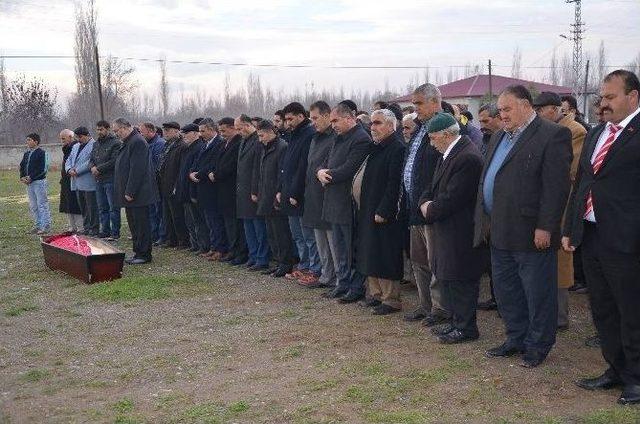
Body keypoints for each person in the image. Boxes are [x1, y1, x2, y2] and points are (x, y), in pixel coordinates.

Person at [474, 85, 572, 368]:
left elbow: (556, 188)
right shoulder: (499, 137)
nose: (501, 115)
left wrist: (546, 226)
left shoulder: (552, 135)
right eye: (500, 110)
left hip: (532, 231)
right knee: (507, 290)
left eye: (507, 109)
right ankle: (515, 337)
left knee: (537, 291)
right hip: (500, 228)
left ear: (527, 106)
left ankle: (538, 345)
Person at [563, 70, 640, 405]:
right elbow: (582, 183)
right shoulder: (596, 133)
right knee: (603, 308)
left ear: (633, 96)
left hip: (627, 240)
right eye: (602, 97)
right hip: (592, 235)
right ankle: (615, 368)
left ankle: (636, 379)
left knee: (631, 310)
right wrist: (570, 228)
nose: (603, 103)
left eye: (610, 97)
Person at [420, 113, 484, 343]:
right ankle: (456, 322)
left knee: (462, 279)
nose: (431, 142)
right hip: (447, 228)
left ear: (447, 135)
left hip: (461, 229)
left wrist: (430, 208)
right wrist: (424, 202)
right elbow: (433, 187)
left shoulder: (467, 157)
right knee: (450, 276)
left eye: (433, 137)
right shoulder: (449, 154)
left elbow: (454, 198)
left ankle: (466, 328)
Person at [534, 91, 587, 331]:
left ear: (554, 109)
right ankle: (548, 312)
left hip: (564, 204)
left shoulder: (574, 131)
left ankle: (560, 317)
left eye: (540, 109)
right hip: (546, 203)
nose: (537, 113)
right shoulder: (546, 130)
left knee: (560, 261)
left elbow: (570, 172)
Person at [401, 84, 450, 327]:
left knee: (435, 261)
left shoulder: (446, 127)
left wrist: (430, 201)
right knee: (419, 260)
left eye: (419, 103)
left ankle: (440, 308)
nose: (415, 109)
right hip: (414, 206)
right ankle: (425, 304)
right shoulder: (420, 129)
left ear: (434, 102)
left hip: (431, 208)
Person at [318, 102, 371, 303]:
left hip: (349, 203)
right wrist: (320, 171)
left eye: (335, 120)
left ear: (349, 118)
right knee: (339, 247)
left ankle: (355, 286)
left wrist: (326, 174)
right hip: (334, 200)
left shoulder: (360, 139)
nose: (333, 125)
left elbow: (349, 169)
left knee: (350, 248)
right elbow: (325, 161)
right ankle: (342, 283)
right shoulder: (338, 138)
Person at [354, 109, 405, 315]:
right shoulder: (376, 147)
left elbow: (395, 184)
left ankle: (390, 299)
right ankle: (375, 295)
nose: (373, 127)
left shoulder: (397, 148)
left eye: (378, 123)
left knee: (385, 254)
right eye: (372, 124)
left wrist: (384, 209)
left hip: (385, 213)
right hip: (368, 208)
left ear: (391, 125)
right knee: (370, 252)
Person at [278, 102, 319, 282]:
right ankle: (304, 265)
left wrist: (295, 193)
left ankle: (314, 268)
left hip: (300, 195)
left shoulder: (308, 134)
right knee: (298, 235)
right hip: (289, 192)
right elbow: (287, 166)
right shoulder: (293, 135)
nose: (287, 123)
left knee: (308, 235)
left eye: (290, 119)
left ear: (301, 116)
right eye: (286, 119)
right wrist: (282, 190)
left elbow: (303, 167)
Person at [301, 100, 336, 288]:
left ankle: (337, 278)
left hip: (327, 196)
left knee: (332, 242)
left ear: (326, 116)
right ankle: (326, 275)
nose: (313, 122)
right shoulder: (315, 138)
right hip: (313, 196)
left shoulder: (334, 137)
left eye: (315, 118)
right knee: (320, 241)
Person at [112, 118, 158, 264]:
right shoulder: (129, 141)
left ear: (125, 128)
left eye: (117, 131)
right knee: (134, 224)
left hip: (138, 194)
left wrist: (130, 191)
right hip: (131, 194)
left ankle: (144, 254)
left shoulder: (137, 142)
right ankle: (138, 252)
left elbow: (137, 169)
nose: (116, 134)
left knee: (141, 225)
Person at [254, 120, 296, 277]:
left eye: (262, 135)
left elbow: (282, 174)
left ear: (271, 131)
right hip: (266, 195)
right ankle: (278, 261)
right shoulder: (265, 148)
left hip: (276, 197)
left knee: (281, 233)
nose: (260, 139)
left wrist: (279, 193)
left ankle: (286, 263)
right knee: (272, 233)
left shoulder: (281, 147)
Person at [235, 115, 270, 270]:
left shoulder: (258, 140)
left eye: (239, 128)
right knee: (248, 226)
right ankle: (253, 255)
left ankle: (262, 258)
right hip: (243, 191)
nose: (238, 131)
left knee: (258, 227)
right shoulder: (244, 141)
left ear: (248, 125)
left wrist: (255, 190)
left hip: (253, 191)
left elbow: (258, 168)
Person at [190, 118, 228, 260]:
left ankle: (219, 248)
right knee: (209, 221)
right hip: (202, 187)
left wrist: (198, 174)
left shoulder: (219, 143)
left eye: (203, 131)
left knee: (215, 220)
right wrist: (192, 172)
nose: (200, 134)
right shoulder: (205, 144)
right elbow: (198, 162)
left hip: (212, 188)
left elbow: (213, 164)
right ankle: (213, 247)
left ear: (212, 130)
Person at [213, 118, 248, 265]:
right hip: (222, 190)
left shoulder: (238, 143)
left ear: (233, 128)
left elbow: (231, 165)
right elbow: (218, 162)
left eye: (224, 130)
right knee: (228, 224)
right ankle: (232, 250)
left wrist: (217, 174)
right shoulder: (224, 144)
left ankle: (240, 252)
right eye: (220, 131)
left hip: (231, 189)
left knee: (235, 225)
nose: (222, 134)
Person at [176, 124, 209, 254]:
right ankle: (195, 244)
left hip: (193, 190)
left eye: (187, 133)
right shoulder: (188, 148)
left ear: (195, 134)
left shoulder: (198, 147)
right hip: (186, 190)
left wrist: (192, 192)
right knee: (191, 220)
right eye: (183, 133)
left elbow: (195, 171)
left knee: (198, 221)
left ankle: (203, 246)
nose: (184, 135)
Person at [157, 122, 190, 249]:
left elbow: (181, 168)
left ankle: (183, 241)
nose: (165, 132)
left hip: (174, 185)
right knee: (167, 215)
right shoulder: (168, 145)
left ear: (176, 131)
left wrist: (177, 185)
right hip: (164, 184)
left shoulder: (181, 146)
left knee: (178, 215)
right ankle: (171, 239)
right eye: (164, 130)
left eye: (168, 130)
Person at [89, 120, 121, 241]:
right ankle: (105, 230)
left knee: (113, 207)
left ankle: (115, 232)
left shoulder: (115, 143)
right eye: (97, 129)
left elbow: (114, 161)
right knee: (102, 207)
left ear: (107, 129)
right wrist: (92, 167)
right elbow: (91, 158)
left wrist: (99, 168)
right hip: (98, 180)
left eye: (101, 129)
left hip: (110, 179)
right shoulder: (96, 144)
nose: (99, 131)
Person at [65, 126, 99, 236]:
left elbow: (91, 161)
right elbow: (69, 159)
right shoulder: (76, 146)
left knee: (91, 207)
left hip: (88, 180)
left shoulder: (94, 145)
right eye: (77, 137)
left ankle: (94, 228)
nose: (79, 139)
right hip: (76, 181)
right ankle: (86, 226)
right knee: (83, 207)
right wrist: (69, 169)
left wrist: (77, 171)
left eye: (80, 137)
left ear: (87, 135)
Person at [139, 122, 166, 246]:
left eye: (142, 131)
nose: (140, 134)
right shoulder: (147, 143)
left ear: (150, 131)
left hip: (156, 183)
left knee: (158, 211)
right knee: (151, 211)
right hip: (148, 183)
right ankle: (153, 234)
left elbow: (156, 165)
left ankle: (161, 236)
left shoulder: (159, 144)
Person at [19, 133, 51, 235]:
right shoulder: (26, 154)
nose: (27, 142)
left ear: (36, 141)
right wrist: (22, 177)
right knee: (33, 205)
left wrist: (31, 177)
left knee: (42, 204)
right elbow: (22, 166)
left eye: (29, 140)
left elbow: (43, 169)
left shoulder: (42, 153)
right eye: (27, 140)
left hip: (39, 182)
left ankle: (45, 226)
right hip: (29, 184)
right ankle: (37, 225)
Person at [58, 129, 83, 233]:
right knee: (67, 204)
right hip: (66, 181)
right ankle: (72, 227)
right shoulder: (66, 148)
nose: (62, 141)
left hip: (74, 179)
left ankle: (80, 227)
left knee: (75, 204)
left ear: (70, 137)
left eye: (63, 138)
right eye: (61, 139)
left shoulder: (75, 147)